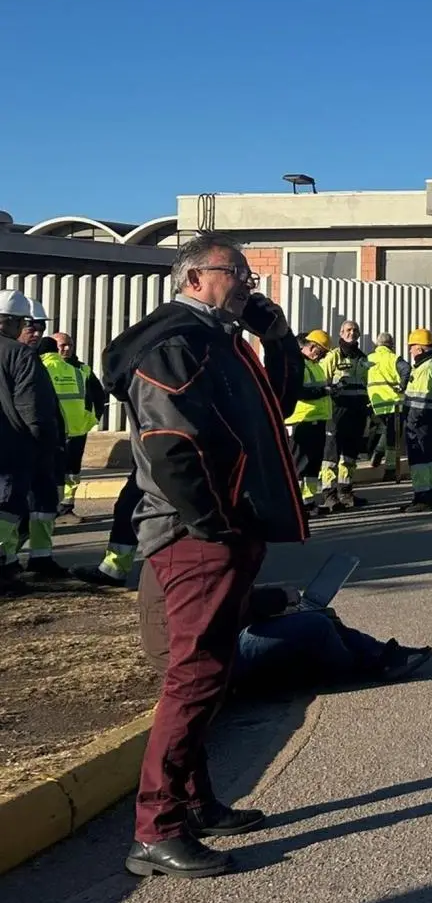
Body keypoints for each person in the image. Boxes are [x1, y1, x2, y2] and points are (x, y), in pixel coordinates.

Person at [101, 235, 310, 877]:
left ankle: (196, 802)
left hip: (217, 531)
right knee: (193, 677)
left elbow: (276, 407)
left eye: (247, 272)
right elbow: (170, 444)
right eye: (236, 272)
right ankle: (157, 829)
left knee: (211, 672)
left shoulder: (217, 339)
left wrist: (275, 340)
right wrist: (214, 524)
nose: (247, 282)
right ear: (193, 278)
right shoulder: (174, 343)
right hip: (193, 538)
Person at [141, 576, 432, 698]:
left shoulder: (172, 549)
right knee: (315, 626)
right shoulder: (194, 553)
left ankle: (377, 653)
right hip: (204, 656)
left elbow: (225, 602)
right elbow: (228, 605)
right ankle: (363, 666)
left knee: (318, 617)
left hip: (207, 642)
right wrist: (280, 599)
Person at [0, 288, 65, 592]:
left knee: (33, 504)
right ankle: (4, 564)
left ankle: (21, 560)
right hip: (16, 446)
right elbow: (32, 407)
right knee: (8, 506)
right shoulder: (19, 355)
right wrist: (43, 444)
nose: (36, 331)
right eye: (28, 324)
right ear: (12, 322)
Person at [44, 330, 106, 515]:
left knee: (72, 470)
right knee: (50, 470)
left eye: (69, 344)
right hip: (52, 431)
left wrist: (92, 419)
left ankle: (67, 506)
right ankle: (48, 508)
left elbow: (98, 396)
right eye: (62, 345)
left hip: (77, 430)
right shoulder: (43, 367)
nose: (67, 348)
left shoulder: (82, 369)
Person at [322, 321, 370, 511]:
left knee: (350, 455)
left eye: (355, 330)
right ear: (341, 333)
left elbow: (368, 383)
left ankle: (346, 491)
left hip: (357, 412)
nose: (352, 333)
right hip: (336, 413)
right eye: (348, 330)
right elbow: (323, 383)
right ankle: (329, 494)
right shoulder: (333, 356)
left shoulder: (362, 358)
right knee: (331, 456)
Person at [285, 330, 334, 510]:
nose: (322, 356)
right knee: (299, 464)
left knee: (313, 464)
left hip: (317, 420)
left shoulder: (315, 366)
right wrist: (324, 392)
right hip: (301, 421)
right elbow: (296, 392)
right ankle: (296, 503)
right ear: (312, 347)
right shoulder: (298, 365)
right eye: (322, 352)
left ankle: (308, 501)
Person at [401, 328, 432, 510]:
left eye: (411, 347)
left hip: (419, 421)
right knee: (427, 458)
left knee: (418, 459)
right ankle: (430, 495)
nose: (410, 351)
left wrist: (410, 421)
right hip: (429, 418)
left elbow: (419, 399)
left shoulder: (425, 368)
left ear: (419, 348)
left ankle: (422, 498)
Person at [364, 331, 408, 481]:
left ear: (377, 345)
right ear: (392, 345)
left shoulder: (368, 359)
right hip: (393, 404)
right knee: (392, 436)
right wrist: (402, 385)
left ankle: (376, 454)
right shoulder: (394, 358)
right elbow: (406, 370)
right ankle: (390, 469)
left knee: (383, 430)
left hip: (376, 403)